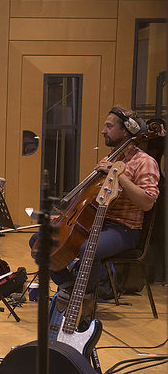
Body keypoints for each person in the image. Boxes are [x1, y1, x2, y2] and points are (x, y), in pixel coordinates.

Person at [31, 106, 160, 296]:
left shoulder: (144, 162)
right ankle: (69, 286)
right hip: (94, 223)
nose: (103, 130)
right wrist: (64, 217)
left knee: (88, 249)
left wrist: (118, 174)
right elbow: (88, 195)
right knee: (39, 241)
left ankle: (87, 296)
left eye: (109, 126)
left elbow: (147, 202)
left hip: (123, 229)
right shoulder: (109, 158)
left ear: (125, 131)